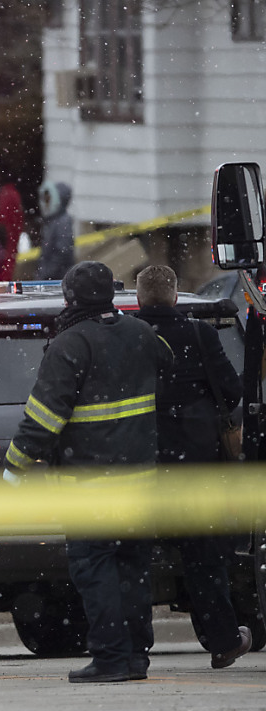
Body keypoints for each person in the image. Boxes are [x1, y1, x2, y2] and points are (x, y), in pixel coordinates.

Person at [3, 261, 172, 683]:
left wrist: (15, 465)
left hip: (91, 484)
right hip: (141, 481)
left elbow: (43, 417)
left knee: (95, 569)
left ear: (70, 298)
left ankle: (111, 658)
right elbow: (168, 373)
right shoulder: (142, 334)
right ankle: (135, 657)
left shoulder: (69, 344)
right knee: (132, 567)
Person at [135, 264, 252, 669]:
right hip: (196, 467)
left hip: (139, 466)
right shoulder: (200, 335)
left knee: (131, 561)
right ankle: (221, 640)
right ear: (174, 296)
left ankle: (132, 649)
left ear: (138, 299)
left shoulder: (128, 336)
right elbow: (232, 391)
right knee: (205, 562)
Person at [35, 180, 75, 280]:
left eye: (48, 199)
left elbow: (62, 253)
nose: (45, 204)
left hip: (56, 280)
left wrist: (45, 274)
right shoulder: (53, 221)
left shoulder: (62, 222)